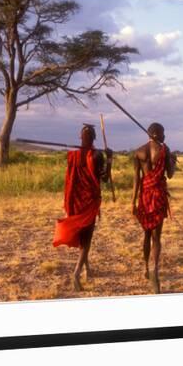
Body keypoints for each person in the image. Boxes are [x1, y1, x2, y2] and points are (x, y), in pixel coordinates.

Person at [52, 123, 113, 291]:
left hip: (74, 202)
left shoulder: (72, 156)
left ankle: (87, 269)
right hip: (89, 203)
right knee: (87, 240)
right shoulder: (97, 156)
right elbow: (105, 178)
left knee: (83, 237)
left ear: (80, 138)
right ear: (94, 138)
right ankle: (77, 273)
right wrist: (110, 159)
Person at [131, 122, 176, 294]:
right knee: (157, 237)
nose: (165, 136)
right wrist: (171, 159)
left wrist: (133, 202)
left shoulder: (139, 151)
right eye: (163, 133)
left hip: (144, 197)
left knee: (146, 234)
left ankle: (145, 268)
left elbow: (137, 180)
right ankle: (154, 270)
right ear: (156, 133)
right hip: (158, 196)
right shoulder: (164, 151)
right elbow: (170, 175)